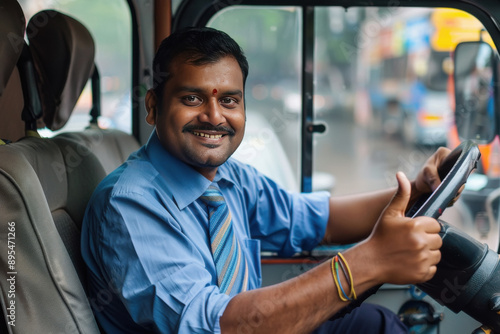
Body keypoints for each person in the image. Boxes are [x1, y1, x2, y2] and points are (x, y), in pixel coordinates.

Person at [81, 27, 449, 333]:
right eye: (191, 98)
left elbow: (321, 221)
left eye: (229, 101)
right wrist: (370, 262)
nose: (213, 116)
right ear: (152, 107)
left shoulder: (229, 178)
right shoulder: (129, 203)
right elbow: (219, 328)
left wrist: (417, 190)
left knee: (374, 324)